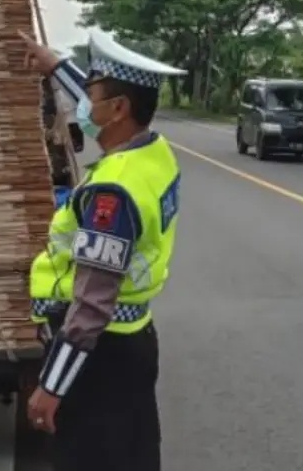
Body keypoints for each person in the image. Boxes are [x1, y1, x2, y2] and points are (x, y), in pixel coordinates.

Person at [19, 28, 186, 471]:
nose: (83, 105)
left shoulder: (113, 192)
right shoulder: (154, 152)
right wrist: (55, 63)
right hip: (133, 341)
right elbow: (98, 101)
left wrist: (52, 386)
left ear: (118, 108)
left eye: (92, 96)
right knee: (132, 456)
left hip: (100, 357)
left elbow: (91, 306)